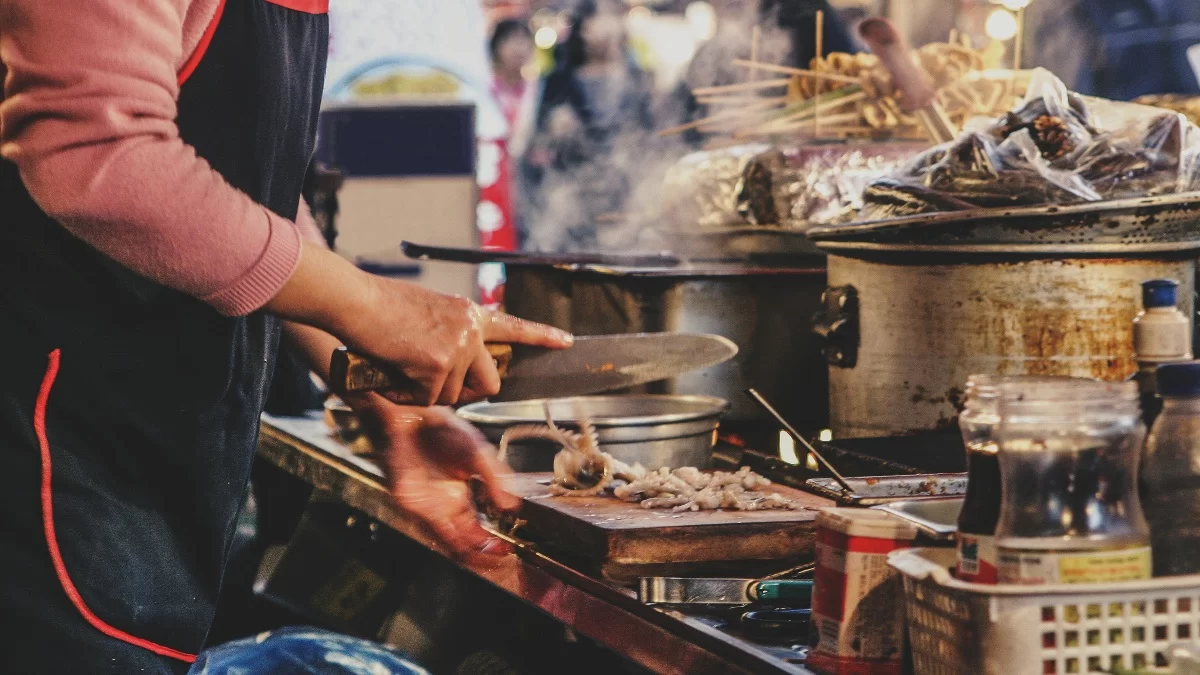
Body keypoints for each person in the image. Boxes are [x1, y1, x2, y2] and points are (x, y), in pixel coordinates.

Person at [0, 0, 572, 672]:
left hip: (146, 469)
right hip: (49, 459)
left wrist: (380, 390)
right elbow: (97, 154)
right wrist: (374, 307)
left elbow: (242, 184)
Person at [521, 0, 655, 251]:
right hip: (570, 201)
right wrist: (554, 130)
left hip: (626, 198)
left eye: (614, 17)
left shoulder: (639, 80)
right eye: (598, 18)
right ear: (582, 29)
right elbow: (535, 146)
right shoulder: (559, 81)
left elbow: (656, 139)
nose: (607, 26)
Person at [489, 18, 537, 159]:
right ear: (496, 47)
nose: (518, 48)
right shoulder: (487, 89)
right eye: (510, 40)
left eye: (523, 41)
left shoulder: (537, 89)